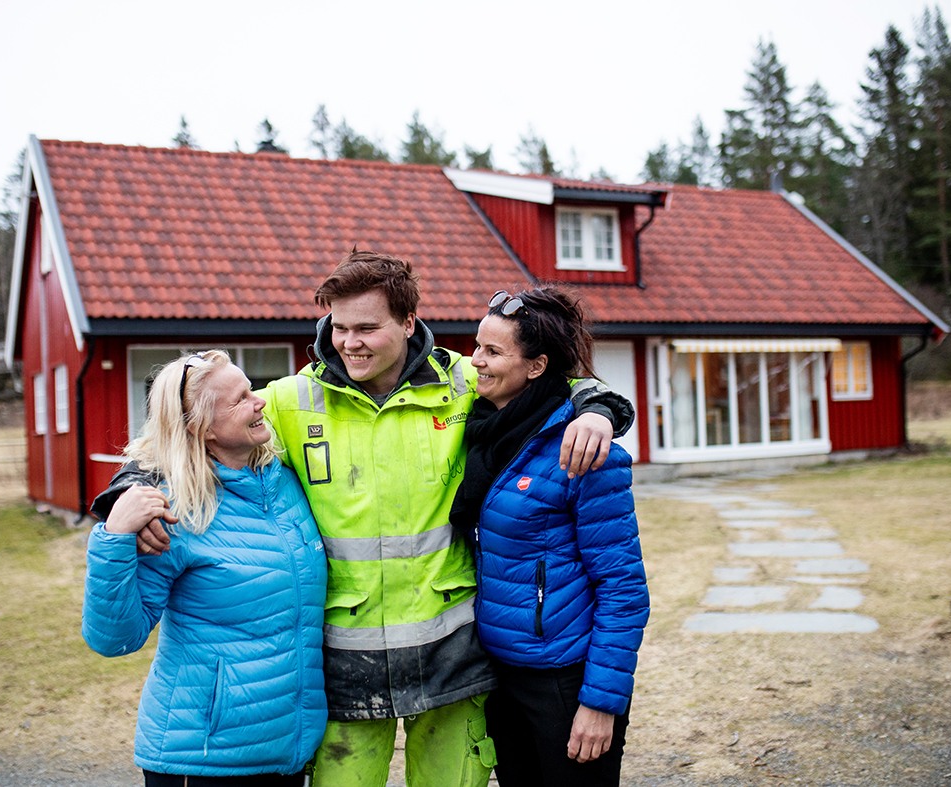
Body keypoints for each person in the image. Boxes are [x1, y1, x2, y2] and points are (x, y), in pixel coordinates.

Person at [92, 250, 634, 787]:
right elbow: (182, 431)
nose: (348, 342)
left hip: (454, 653)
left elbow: (545, 386)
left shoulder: (464, 381)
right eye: (339, 326)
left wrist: (600, 408)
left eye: (368, 328)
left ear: (408, 322)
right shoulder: (287, 401)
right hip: (343, 662)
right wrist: (128, 491)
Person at [81, 350, 327, 785]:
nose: (260, 402)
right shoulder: (175, 511)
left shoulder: (284, 481)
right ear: (199, 427)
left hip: (285, 746)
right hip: (201, 753)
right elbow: (115, 638)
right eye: (240, 400)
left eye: (252, 389)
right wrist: (114, 535)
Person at [449, 287, 650, 787]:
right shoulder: (483, 427)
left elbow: (623, 591)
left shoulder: (585, 452)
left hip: (564, 677)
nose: (475, 361)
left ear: (536, 367)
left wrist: (600, 703)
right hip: (501, 672)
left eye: (492, 352)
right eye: (477, 346)